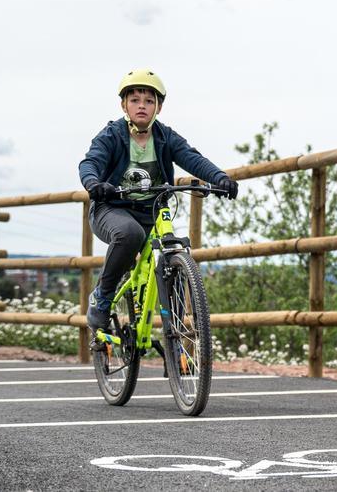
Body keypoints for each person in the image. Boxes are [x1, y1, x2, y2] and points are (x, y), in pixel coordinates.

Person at [77, 69, 239, 331]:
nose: (142, 105)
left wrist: (220, 177)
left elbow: (192, 157)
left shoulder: (165, 137)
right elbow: (90, 162)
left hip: (152, 210)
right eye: (135, 100)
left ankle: (175, 343)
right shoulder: (111, 135)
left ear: (158, 108)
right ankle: (102, 297)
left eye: (149, 101)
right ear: (124, 105)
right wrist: (94, 183)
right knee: (130, 234)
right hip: (111, 208)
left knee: (171, 249)